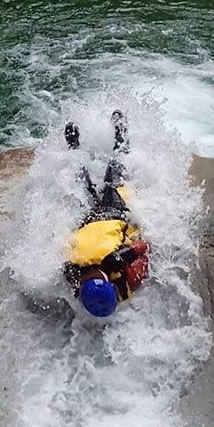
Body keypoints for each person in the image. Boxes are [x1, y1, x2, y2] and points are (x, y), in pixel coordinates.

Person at [62, 111, 150, 318]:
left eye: (88, 278)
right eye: (95, 275)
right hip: (115, 214)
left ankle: (74, 148)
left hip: (88, 220)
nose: (90, 273)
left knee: (81, 183)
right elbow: (147, 248)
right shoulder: (127, 281)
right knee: (114, 170)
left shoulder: (74, 276)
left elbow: (64, 259)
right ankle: (121, 135)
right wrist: (125, 254)